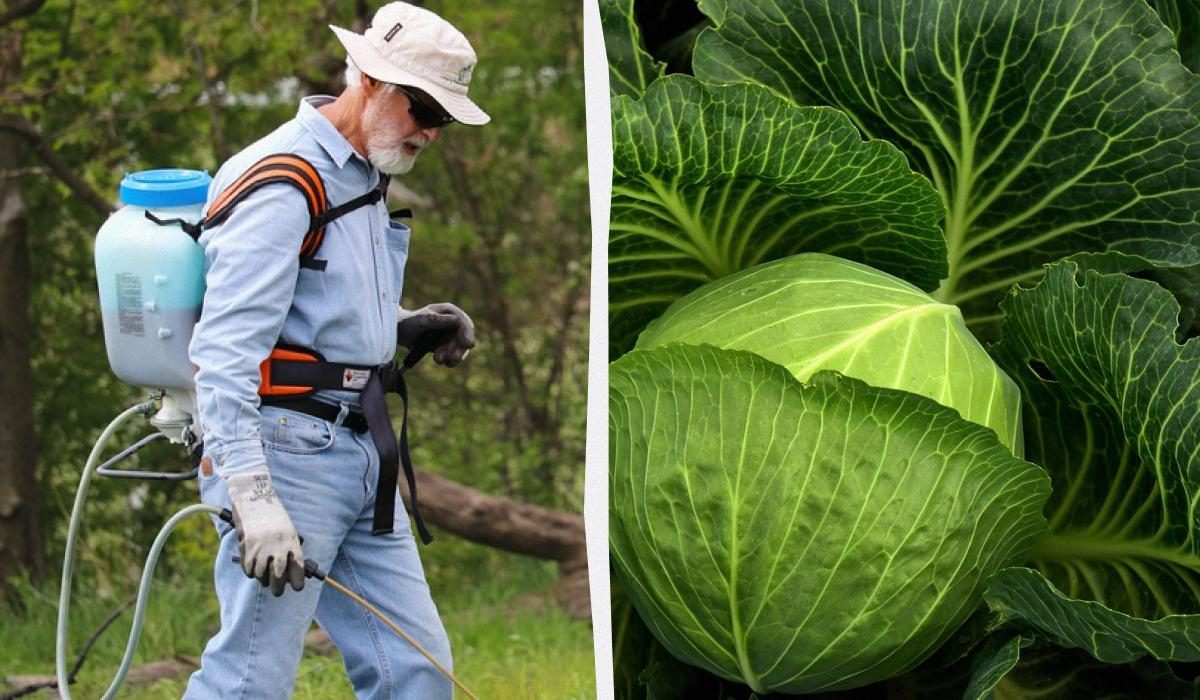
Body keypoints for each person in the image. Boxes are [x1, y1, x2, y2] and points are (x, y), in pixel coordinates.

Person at [183, 3, 488, 698]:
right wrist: (254, 496)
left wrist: (403, 325)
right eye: (422, 110)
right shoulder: (285, 180)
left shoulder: (362, 171)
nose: (431, 132)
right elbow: (224, 352)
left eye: (442, 119)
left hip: (360, 450)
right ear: (372, 81)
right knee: (249, 680)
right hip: (284, 457)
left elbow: (313, 309)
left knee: (415, 672)